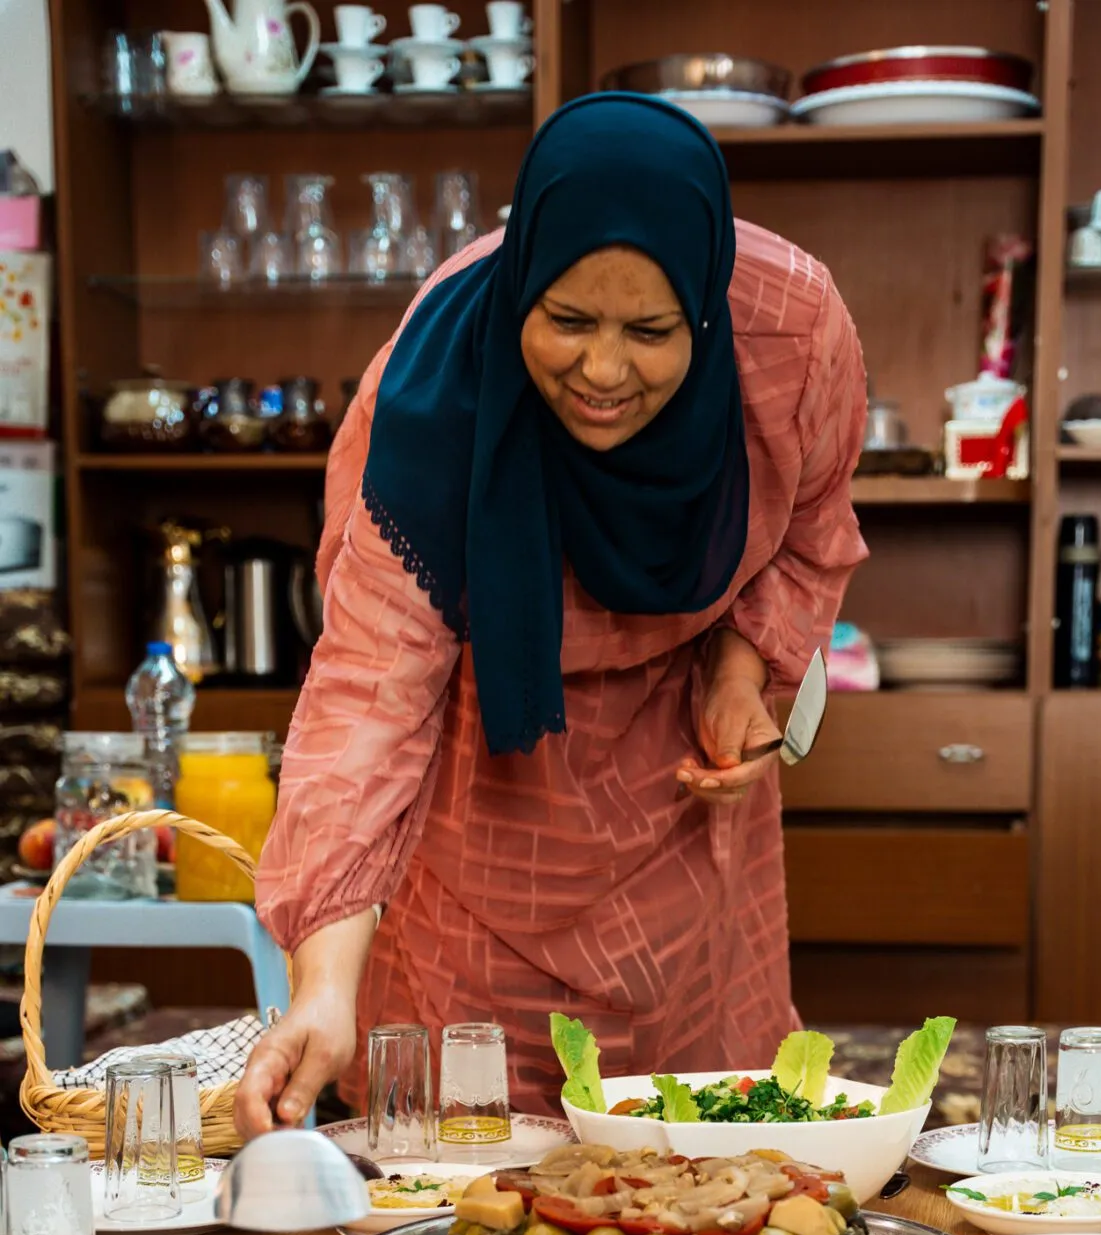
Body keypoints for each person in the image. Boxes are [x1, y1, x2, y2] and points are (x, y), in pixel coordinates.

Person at [234, 92, 867, 1140]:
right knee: (466, 1191)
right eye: (567, 321)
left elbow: (813, 522)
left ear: (705, 317)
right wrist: (323, 989)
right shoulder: (437, 392)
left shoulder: (792, 334)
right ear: (520, 281)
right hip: (489, 805)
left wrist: (740, 670)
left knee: (703, 1168)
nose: (604, 373)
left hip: (688, 822)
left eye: (651, 332)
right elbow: (367, 699)